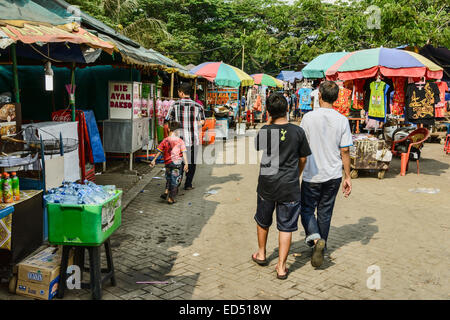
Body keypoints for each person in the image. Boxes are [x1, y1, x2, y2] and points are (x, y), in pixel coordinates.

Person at [252, 93, 311, 280]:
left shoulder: (265, 130)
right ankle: (281, 267)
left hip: (267, 183)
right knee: (286, 226)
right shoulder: (298, 132)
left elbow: (258, 146)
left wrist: (268, 123)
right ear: (288, 109)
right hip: (289, 185)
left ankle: (261, 254)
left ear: (268, 112)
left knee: (263, 219)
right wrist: (296, 174)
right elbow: (303, 159)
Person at [299, 81, 353, 268]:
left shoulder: (308, 118)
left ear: (319, 96)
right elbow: (345, 151)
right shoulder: (342, 120)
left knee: (306, 209)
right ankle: (322, 244)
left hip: (311, 174)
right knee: (325, 212)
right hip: (333, 175)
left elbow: (301, 148)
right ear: (337, 98)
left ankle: (315, 240)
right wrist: (348, 176)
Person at [166, 82, 205, 190]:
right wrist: (195, 123)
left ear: (181, 93)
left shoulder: (175, 105)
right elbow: (203, 121)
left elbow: (168, 119)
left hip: (178, 141)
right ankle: (188, 184)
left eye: (178, 92)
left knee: (179, 163)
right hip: (193, 140)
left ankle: (175, 184)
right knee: (192, 163)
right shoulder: (198, 106)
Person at [150, 121, 189, 204]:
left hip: (167, 164)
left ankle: (166, 191)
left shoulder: (165, 140)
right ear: (178, 131)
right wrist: (186, 163)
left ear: (168, 129)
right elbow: (184, 152)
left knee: (169, 178)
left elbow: (159, 151)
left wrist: (154, 160)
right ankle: (171, 198)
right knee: (175, 180)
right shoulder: (180, 141)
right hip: (177, 164)